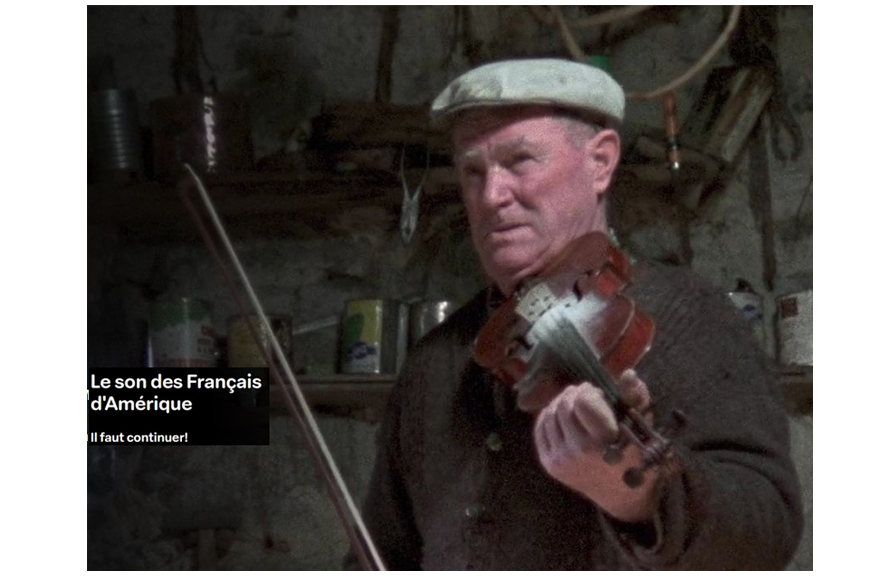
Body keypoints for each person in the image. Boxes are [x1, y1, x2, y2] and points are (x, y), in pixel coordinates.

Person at [355, 59, 803, 570]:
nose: (491, 195)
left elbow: (766, 536)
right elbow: (379, 556)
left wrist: (642, 495)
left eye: (519, 160)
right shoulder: (434, 363)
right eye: (472, 171)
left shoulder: (691, 317)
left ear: (601, 162)